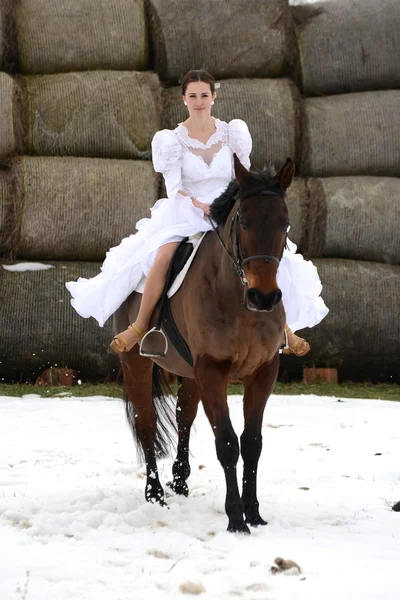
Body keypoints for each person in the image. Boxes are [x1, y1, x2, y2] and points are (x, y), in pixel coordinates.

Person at [66, 70, 328, 356]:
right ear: (183, 99)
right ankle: (141, 326)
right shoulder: (171, 140)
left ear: (214, 97)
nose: (199, 101)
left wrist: (233, 206)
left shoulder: (233, 133)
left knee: (275, 256)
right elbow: (174, 187)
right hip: (187, 210)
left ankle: (285, 329)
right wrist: (197, 204)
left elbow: (243, 177)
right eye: (193, 96)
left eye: (204, 95)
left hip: (228, 208)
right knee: (163, 257)